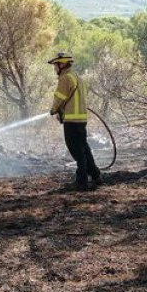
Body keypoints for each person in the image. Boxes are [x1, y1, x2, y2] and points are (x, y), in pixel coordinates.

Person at [47, 51, 102, 190]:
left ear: (63, 64)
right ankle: (95, 175)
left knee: (77, 150)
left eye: (56, 65)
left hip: (72, 120)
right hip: (81, 119)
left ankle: (81, 181)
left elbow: (59, 97)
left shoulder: (65, 78)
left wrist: (54, 109)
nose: (55, 68)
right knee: (84, 148)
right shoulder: (78, 77)